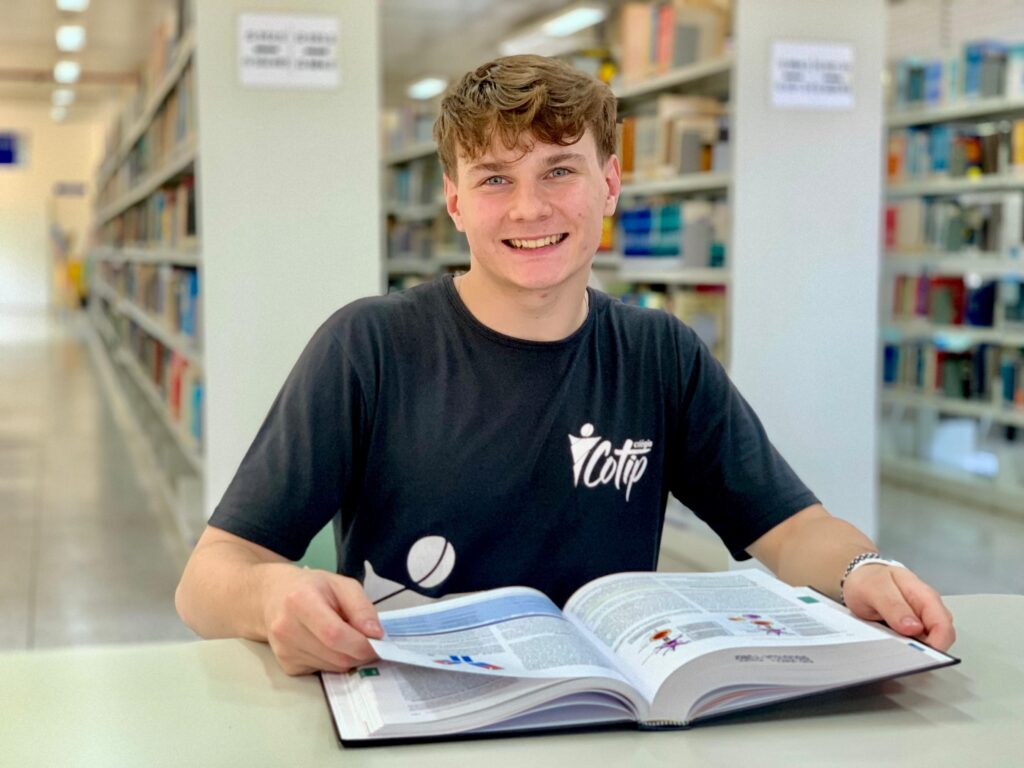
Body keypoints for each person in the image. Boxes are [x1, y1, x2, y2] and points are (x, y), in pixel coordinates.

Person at [175, 55, 955, 676]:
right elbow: (207, 579)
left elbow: (793, 529)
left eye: (559, 170)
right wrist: (271, 594)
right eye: (495, 178)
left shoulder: (660, 354)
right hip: (420, 712)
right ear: (454, 202)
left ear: (608, 185)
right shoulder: (368, 347)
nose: (530, 207)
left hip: (606, 719)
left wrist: (863, 569)